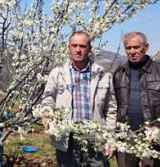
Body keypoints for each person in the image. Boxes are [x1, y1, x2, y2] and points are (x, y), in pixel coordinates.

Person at [41, 30, 117, 167]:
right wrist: (47, 113)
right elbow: (48, 98)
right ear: (69, 47)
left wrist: (110, 138)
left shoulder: (103, 75)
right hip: (66, 136)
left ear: (89, 49)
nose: (78, 50)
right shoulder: (57, 73)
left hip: (95, 136)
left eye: (82, 46)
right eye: (74, 45)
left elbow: (111, 110)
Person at [113, 32, 160, 167]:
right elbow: (113, 106)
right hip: (126, 137)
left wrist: (159, 126)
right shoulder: (119, 73)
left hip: (153, 136)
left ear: (146, 47)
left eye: (136, 47)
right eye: (128, 48)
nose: (132, 52)